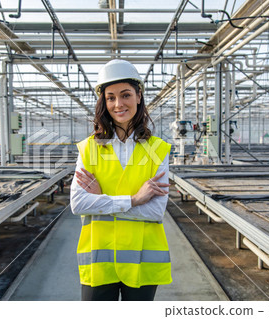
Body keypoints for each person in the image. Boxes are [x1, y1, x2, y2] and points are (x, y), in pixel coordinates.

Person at [70, 59, 172, 301]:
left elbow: (156, 211)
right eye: (110, 97)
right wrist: (134, 200)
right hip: (99, 264)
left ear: (138, 96)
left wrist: (101, 201)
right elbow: (78, 204)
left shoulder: (158, 150)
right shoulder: (89, 149)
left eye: (125, 95)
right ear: (104, 102)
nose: (118, 104)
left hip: (142, 265)